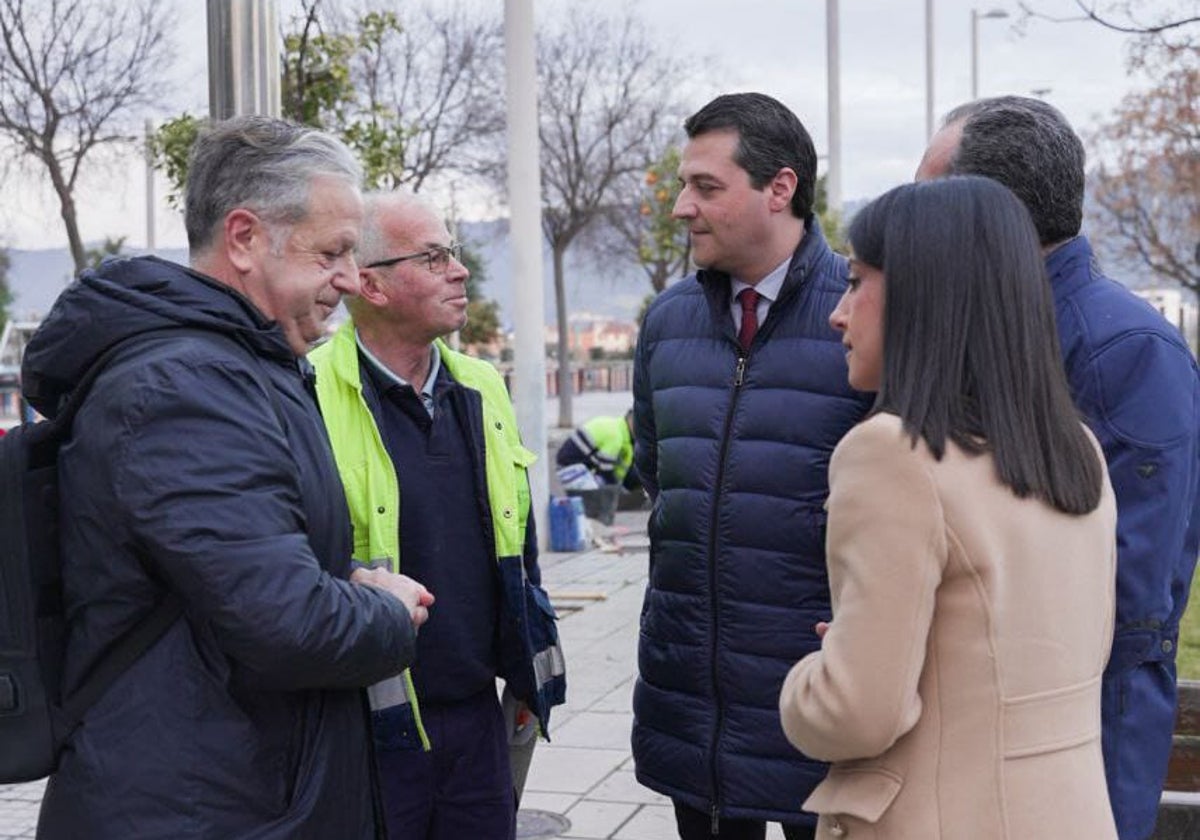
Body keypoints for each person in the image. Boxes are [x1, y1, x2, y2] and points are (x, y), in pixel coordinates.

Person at [20, 116, 433, 838]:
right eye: (332, 252)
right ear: (244, 238)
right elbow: (287, 625)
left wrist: (340, 582)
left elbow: (246, 574)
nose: (348, 279)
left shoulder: (235, 368)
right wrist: (389, 612)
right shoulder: (187, 387)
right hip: (199, 805)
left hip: (231, 789)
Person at [779, 175, 1119, 839]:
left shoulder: (893, 455)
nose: (837, 313)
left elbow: (855, 711)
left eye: (855, 281)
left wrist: (810, 678)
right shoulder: (1072, 448)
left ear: (922, 295)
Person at [916, 95, 1200, 840]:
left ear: (992, 212)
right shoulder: (997, 328)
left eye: (930, 198)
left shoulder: (1123, 350)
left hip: (1080, 734)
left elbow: (1130, 595)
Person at [631, 92, 873, 840]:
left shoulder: (865, 318)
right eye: (683, 185)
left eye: (706, 187)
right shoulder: (667, 322)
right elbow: (656, 475)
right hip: (691, 714)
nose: (681, 207)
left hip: (817, 712)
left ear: (780, 188)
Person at [308, 190, 566, 840]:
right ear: (370, 284)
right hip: (364, 725)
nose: (460, 270)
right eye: (434, 256)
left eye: (452, 252)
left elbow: (518, 545)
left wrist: (528, 680)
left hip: (478, 722)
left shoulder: (480, 385)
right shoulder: (305, 390)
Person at [555, 409, 640, 492]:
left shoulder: (618, 428)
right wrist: (618, 491)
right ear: (631, 420)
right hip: (570, 470)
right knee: (599, 495)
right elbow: (605, 471)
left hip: (573, 466)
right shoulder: (615, 438)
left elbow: (618, 470)